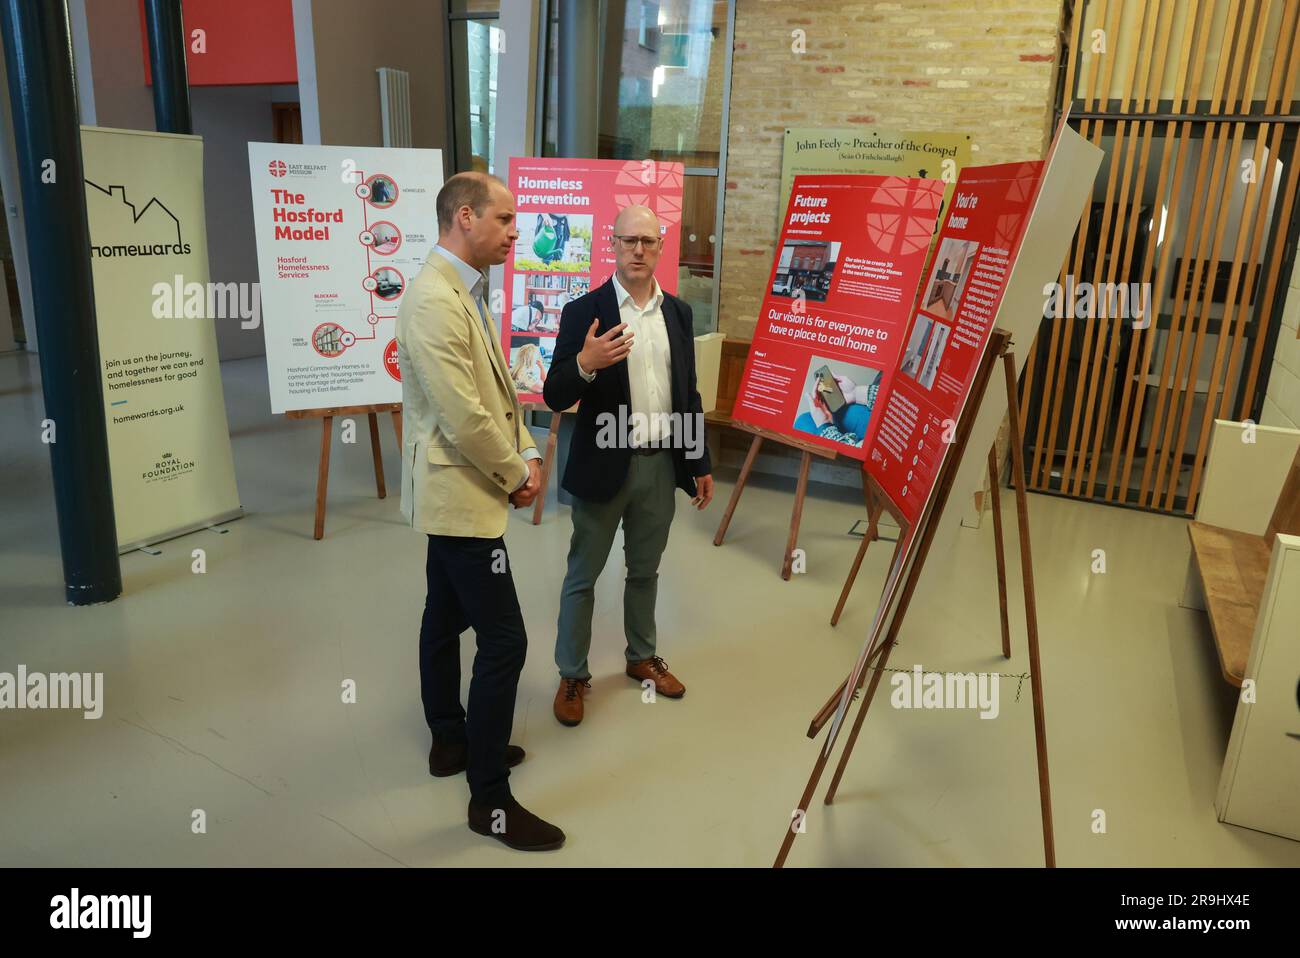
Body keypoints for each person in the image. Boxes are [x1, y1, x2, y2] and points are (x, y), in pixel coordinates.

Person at [395, 171, 564, 852]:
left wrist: (525, 452)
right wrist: (517, 472)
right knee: (506, 642)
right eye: (504, 219)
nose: (514, 231)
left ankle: (449, 740)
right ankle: (488, 800)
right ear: (464, 218)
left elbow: (499, 392)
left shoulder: (463, 291)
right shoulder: (434, 300)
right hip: (459, 494)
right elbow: (463, 415)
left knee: (443, 614)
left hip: (467, 488)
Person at [543, 205, 714, 727]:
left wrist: (698, 459)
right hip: (604, 464)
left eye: (648, 240)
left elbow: (687, 393)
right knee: (584, 573)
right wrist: (585, 365)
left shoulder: (679, 314)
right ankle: (572, 672)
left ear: (661, 246)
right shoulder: (585, 312)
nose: (639, 250)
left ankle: (641, 656)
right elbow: (553, 394)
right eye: (628, 240)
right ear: (612, 244)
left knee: (645, 570)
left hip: (660, 465)